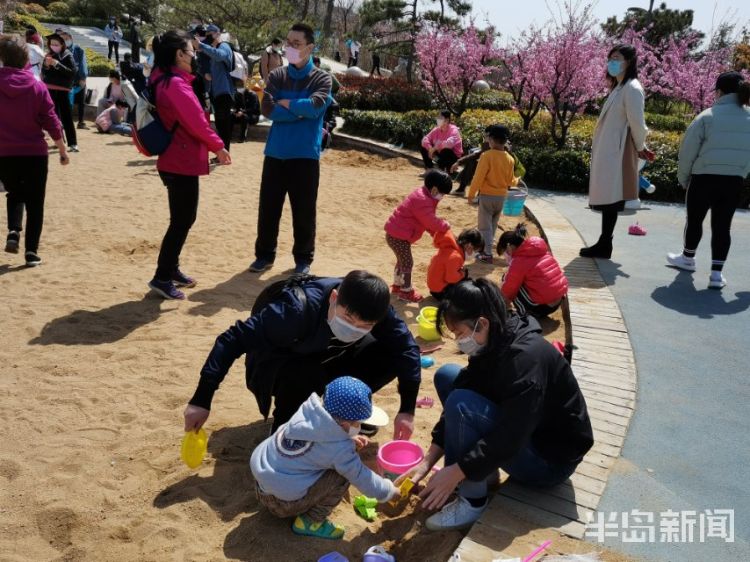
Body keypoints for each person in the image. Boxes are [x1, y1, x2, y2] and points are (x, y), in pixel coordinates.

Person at [396, 278, 593, 531]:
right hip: (524, 434)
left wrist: (458, 470)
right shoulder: (497, 338)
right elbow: (466, 386)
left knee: (462, 404)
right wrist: (427, 461)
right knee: (448, 377)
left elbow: (512, 435)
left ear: (482, 323)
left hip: (548, 462)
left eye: (460, 334)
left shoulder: (525, 361)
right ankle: (481, 473)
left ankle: (471, 500)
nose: (458, 341)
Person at [183, 270, 420, 440]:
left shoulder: (378, 308)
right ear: (334, 298)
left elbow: (407, 349)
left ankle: (340, 413)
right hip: (282, 368)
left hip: (328, 358)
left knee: (392, 353)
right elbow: (232, 339)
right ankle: (285, 429)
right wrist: (201, 399)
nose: (354, 327)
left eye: (364, 324)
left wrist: (407, 409)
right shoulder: (294, 311)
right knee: (305, 371)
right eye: (348, 318)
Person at [251, 376, 399, 539]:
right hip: (283, 505)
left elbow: (318, 445)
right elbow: (362, 476)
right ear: (344, 426)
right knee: (341, 476)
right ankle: (310, 522)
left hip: (261, 486)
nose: (359, 427)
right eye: (358, 423)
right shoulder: (339, 450)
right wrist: (388, 491)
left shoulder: (307, 415)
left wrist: (346, 439)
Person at [146, 30, 231, 300]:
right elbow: (196, 122)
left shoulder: (161, 77)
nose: (194, 55)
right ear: (179, 55)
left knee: (181, 218)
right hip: (179, 159)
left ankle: (171, 270)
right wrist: (218, 146)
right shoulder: (175, 85)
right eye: (191, 51)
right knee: (182, 220)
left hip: (174, 158)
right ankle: (162, 276)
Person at [249, 23, 332, 275]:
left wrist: (287, 105)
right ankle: (264, 255)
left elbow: (316, 106)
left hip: (305, 155)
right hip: (275, 153)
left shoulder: (322, 78)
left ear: (309, 47)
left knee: (304, 210)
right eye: (288, 42)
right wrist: (297, 110)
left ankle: (303, 259)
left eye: (296, 44)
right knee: (268, 208)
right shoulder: (276, 76)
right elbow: (268, 110)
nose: (290, 48)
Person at [666, 71, 750, 290]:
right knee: (723, 227)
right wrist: (741, 172)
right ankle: (716, 274)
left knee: (694, 220)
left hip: (703, 178)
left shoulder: (706, 116)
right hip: (733, 181)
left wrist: (683, 177)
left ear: (718, 91)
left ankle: (687, 258)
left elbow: (687, 152)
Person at [1, 33, 70, 267]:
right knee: (35, 202)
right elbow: (51, 121)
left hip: (4, 153)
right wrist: (62, 150)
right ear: (25, 60)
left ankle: (13, 231)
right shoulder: (37, 86)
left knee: (14, 193)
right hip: (34, 154)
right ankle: (31, 252)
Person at [581, 44, 648, 260]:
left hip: (617, 152)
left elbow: (637, 123)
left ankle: (605, 244)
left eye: (617, 58)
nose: (612, 62)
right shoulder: (619, 87)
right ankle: (604, 242)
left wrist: (640, 147)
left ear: (629, 61)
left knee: (612, 198)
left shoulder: (632, 88)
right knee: (609, 198)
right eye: (610, 58)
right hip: (609, 150)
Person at [384, 169, 453, 303]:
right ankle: (406, 292)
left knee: (402, 260)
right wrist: (445, 225)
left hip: (396, 234)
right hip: (398, 236)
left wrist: (433, 231)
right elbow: (430, 221)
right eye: (442, 194)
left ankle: (398, 285)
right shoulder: (423, 200)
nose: (442, 197)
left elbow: (424, 221)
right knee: (407, 262)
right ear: (434, 190)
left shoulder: (423, 196)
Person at [467, 124, 519, 263]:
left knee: (484, 226)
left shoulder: (487, 156)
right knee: (493, 224)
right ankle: (488, 249)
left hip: (487, 196)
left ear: (491, 140)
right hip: (501, 197)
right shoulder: (510, 158)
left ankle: (487, 253)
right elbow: (511, 181)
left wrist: (471, 195)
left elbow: (478, 178)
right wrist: (517, 180)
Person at [497, 223, 568, 318]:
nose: (506, 255)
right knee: (517, 278)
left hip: (543, 307)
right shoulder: (540, 250)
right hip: (558, 301)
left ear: (509, 246)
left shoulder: (519, 260)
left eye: (505, 251)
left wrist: (499, 305)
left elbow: (509, 289)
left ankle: (523, 314)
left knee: (509, 280)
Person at [195, 24, 235, 151]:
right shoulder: (211, 50)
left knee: (223, 123)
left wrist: (201, 45)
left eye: (210, 34)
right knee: (219, 123)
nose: (208, 37)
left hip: (224, 91)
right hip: (217, 92)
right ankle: (222, 151)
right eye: (206, 34)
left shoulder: (224, 46)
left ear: (218, 34)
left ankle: (225, 151)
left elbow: (220, 55)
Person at [41, 32, 78, 153]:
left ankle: (73, 143)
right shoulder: (48, 55)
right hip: (50, 89)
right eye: (52, 44)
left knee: (67, 116)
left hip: (63, 90)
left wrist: (57, 64)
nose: (54, 46)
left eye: (56, 44)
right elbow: (44, 73)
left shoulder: (68, 55)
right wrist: (46, 66)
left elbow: (72, 72)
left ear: (62, 44)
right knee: (54, 117)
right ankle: (60, 140)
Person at [427, 228, 484, 300]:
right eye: (476, 251)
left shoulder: (452, 249)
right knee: (466, 288)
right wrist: (462, 274)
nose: (476, 254)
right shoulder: (456, 257)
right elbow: (451, 279)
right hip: (440, 292)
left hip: (435, 287)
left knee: (465, 277)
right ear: (469, 246)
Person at [59, 31, 88, 130]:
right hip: (66, 81)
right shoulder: (61, 51)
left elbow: (83, 64)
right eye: (62, 39)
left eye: (66, 39)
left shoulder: (78, 50)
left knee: (81, 102)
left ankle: (81, 122)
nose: (64, 41)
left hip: (79, 80)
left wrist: (83, 78)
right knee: (67, 103)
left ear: (71, 38)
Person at [231, 78, 260, 143]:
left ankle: (242, 138)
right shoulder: (238, 95)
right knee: (231, 116)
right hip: (241, 114)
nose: (239, 87)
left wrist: (243, 112)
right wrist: (235, 111)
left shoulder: (253, 95)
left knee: (244, 117)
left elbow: (253, 108)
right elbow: (236, 106)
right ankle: (229, 136)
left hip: (253, 116)